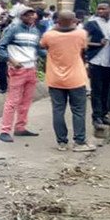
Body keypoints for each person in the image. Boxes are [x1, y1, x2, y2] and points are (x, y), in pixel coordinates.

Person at [40, 10, 95, 152]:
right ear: (73, 21)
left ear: (57, 20)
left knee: (58, 110)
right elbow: (84, 48)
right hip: (76, 79)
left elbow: (42, 45)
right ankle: (79, 142)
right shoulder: (80, 34)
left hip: (55, 79)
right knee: (78, 111)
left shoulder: (49, 35)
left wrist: (55, 27)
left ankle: (62, 143)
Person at [0, 8, 44, 143]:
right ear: (20, 16)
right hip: (18, 69)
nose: (30, 16)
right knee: (12, 101)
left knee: (27, 101)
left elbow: (38, 50)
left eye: (32, 13)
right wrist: (12, 61)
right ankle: (5, 131)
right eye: (26, 14)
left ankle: (20, 127)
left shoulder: (35, 31)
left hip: (31, 68)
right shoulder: (13, 29)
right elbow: (0, 47)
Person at [83, 2, 110, 128]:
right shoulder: (92, 23)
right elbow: (82, 41)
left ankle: (104, 114)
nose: (100, 11)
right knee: (96, 90)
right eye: (99, 8)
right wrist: (97, 44)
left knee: (107, 91)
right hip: (96, 61)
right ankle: (96, 117)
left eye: (103, 8)